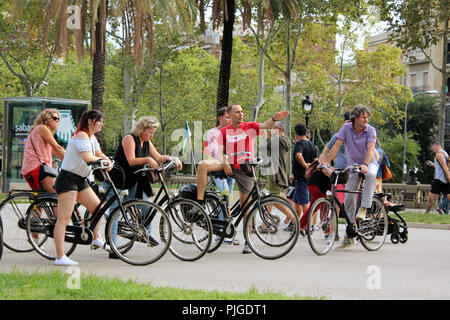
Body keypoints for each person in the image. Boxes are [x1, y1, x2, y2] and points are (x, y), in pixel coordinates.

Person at [194, 103, 290, 254]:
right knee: (203, 164)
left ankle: (248, 240)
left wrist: (274, 118)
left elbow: (265, 126)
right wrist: (225, 162)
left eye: (242, 112)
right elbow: (219, 152)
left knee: (246, 208)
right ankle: (199, 205)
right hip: (229, 164)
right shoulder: (225, 131)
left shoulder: (249, 127)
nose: (241, 114)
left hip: (245, 168)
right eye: (237, 112)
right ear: (230, 115)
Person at [104, 116, 182, 258]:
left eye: (153, 133)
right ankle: (112, 248)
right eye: (150, 132)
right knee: (115, 211)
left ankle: (145, 233)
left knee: (146, 205)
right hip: (117, 179)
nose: (152, 135)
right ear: (142, 129)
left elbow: (158, 157)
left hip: (133, 180)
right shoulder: (129, 138)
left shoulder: (146, 142)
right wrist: (147, 159)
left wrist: (173, 158)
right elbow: (131, 160)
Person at [53, 110, 112, 266]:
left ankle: (95, 238)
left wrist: (109, 161)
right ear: (91, 121)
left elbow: (98, 153)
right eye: (100, 121)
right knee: (64, 219)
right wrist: (103, 162)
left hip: (81, 179)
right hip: (68, 179)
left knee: (98, 208)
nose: (102, 124)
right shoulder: (81, 135)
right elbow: (87, 157)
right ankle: (60, 257)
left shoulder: (92, 138)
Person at [319, 105, 378, 249]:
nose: (366, 119)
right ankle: (350, 233)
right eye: (363, 117)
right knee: (348, 199)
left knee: (370, 174)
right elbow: (336, 147)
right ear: (356, 117)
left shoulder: (370, 130)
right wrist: (326, 163)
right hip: (352, 166)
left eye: (367, 117)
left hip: (368, 163)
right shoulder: (346, 129)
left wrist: (365, 163)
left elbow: (371, 149)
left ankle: (364, 207)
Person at [21, 109, 65, 192]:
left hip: (30, 167)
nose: (57, 121)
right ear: (46, 118)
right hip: (36, 166)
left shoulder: (40, 130)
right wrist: (73, 158)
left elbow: (56, 152)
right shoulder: (42, 128)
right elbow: (57, 148)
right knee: (58, 194)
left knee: (42, 200)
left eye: (58, 119)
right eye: (55, 118)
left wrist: (66, 160)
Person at [291, 123, 318, 227]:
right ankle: (297, 225)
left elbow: (298, 155)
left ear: (296, 133)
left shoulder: (299, 144)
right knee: (297, 204)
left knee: (305, 205)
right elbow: (316, 160)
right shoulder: (311, 144)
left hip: (301, 178)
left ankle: (309, 227)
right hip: (306, 178)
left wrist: (305, 165)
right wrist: (311, 168)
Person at [425, 141, 450, 213]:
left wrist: (449, 178)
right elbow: (441, 166)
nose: (432, 149)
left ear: (435, 145)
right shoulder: (445, 154)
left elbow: (445, 167)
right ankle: (442, 211)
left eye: (432, 147)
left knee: (430, 199)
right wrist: (433, 164)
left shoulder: (439, 154)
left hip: (440, 180)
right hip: (445, 179)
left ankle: (427, 213)